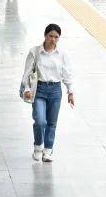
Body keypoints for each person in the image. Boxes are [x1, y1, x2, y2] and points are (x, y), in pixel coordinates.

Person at [21, 24, 76, 161]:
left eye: (56, 37)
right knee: (40, 121)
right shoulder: (35, 52)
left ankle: (48, 151)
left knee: (52, 122)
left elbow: (67, 74)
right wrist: (27, 89)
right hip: (39, 89)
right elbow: (27, 73)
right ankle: (38, 147)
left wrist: (70, 92)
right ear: (45, 35)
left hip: (55, 90)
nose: (53, 39)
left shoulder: (62, 54)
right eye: (50, 36)